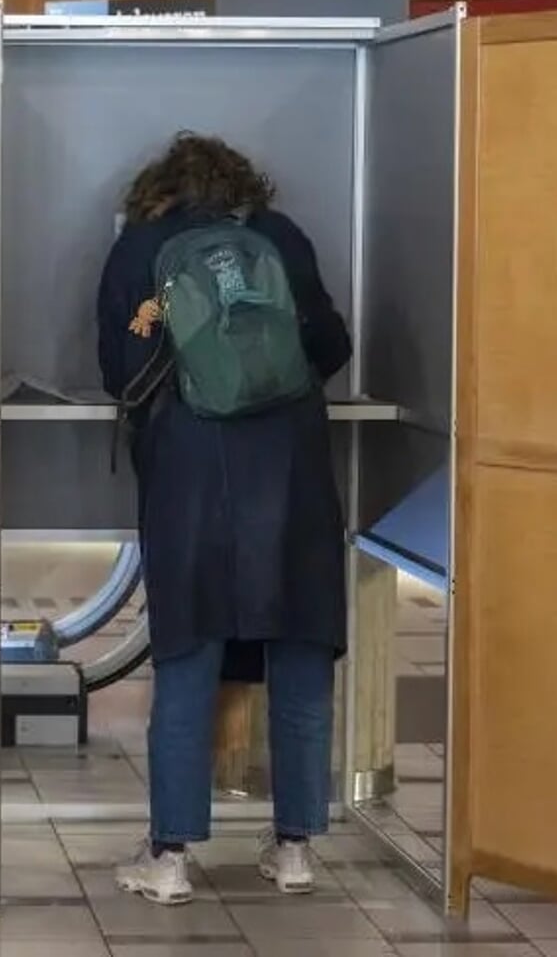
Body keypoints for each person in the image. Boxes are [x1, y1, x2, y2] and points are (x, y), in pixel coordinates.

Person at [97, 133, 351, 904]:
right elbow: (331, 345)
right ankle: (296, 846)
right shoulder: (278, 239)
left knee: (187, 654)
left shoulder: (142, 246)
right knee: (300, 650)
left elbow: (118, 370)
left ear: (158, 188)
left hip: (189, 472)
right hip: (293, 468)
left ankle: (168, 857)